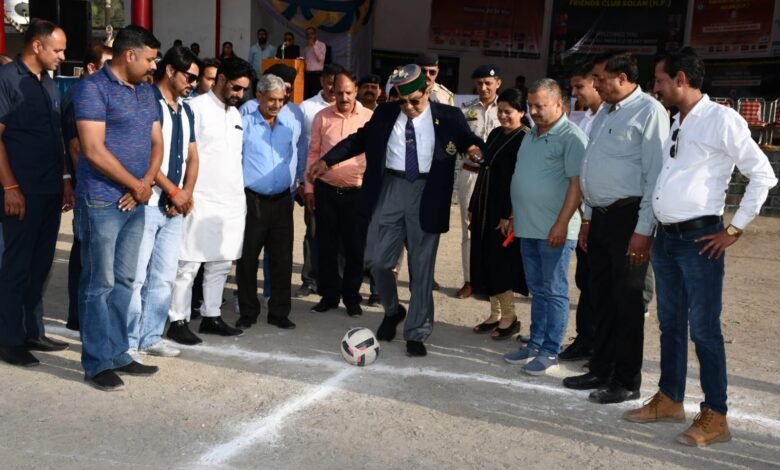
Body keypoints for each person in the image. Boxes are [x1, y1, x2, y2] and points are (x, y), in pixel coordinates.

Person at [622, 47, 778, 447]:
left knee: (705, 329)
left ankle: (716, 415)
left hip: (700, 240)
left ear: (681, 79)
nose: (655, 87)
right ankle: (670, 399)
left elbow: (762, 175)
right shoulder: (678, 120)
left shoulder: (721, 119)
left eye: (660, 80)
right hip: (667, 239)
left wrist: (734, 229)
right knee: (670, 323)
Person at [308, 64, 483, 357]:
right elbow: (358, 140)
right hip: (390, 188)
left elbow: (469, 141)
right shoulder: (386, 114)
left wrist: (476, 150)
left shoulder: (449, 116)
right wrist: (327, 160)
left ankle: (416, 332)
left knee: (421, 269)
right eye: (402, 102)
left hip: (428, 193)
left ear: (427, 89)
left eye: (414, 101)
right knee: (376, 261)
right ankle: (392, 310)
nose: (409, 108)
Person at [564, 52, 669, 404]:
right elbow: (593, 166)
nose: (596, 85)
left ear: (622, 78)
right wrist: (589, 218)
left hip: (630, 219)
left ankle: (626, 380)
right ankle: (601, 367)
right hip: (601, 218)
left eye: (600, 78)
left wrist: (643, 229)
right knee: (601, 297)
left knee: (627, 303)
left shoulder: (649, 111)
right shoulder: (606, 111)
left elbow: (655, 175)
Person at [73, 25, 163, 390]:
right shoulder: (92, 88)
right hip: (101, 199)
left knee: (125, 280)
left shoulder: (147, 91)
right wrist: (135, 185)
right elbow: (92, 150)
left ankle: (118, 352)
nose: (154, 66)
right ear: (130, 54)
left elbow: (157, 142)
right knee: (100, 283)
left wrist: (145, 184)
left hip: (134, 200)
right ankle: (97, 362)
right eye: (150, 59)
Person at [503, 79, 587, 375]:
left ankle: (550, 350)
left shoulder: (572, 137)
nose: (534, 111)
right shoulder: (530, 135)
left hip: (555, 231)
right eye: (531, 106)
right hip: (528, 227)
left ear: (559, 104)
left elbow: (577, 186)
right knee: (537, 290)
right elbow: (522, 177)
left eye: (540, 106)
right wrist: (515, 215)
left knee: (554, 290)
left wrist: (561, 224)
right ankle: (535, 343)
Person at [0, 19, 71, 367]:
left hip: (49, 190)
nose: (62, 56)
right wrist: (10, 187)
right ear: (37, 46)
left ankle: (32, 331)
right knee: (16, 266)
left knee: (40, 265)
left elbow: (56, 138)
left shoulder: (49, 83)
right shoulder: (7, 79)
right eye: (57, 50)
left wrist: (66, 180)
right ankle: (9, 339)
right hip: (21, 192)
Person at [166, 58, 251, 344]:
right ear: (221, 79)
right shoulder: (195, 108)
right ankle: (177, 319)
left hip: (231, 202)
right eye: (236, 88)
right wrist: (181, 193)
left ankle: (211, 316)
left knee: (222, 263)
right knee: (187, 265)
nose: (240, 94)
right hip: (199, 199)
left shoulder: (236, 114)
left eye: (244, 90)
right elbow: (182, 154)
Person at [126, 45, 200, 361]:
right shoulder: (147, 102)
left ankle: (150, 337)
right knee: (135, 277)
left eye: (196, 79)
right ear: (170, 70)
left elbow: (193, 157)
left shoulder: (185, 109)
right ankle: (128, 340)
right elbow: (145, 155)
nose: (194, 83)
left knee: (164, 276)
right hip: (147, 203)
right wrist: (174, 192)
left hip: (173, 206)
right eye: (189, 77)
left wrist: (185, 193)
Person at [235, 74, 302, 330]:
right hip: (253, 200)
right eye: (271, 99)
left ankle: (279, 313)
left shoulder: (288, 125)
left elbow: (292, 156)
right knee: (248, 258)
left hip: (282, 200)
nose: (276, 105)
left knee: (282, 259)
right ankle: (248, 312)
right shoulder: (244, 124)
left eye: (281, 100)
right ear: (259, 96)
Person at [305, 71, 373, 317]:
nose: (344, 97)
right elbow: (313, 153)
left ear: (356, 92)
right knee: (326, 246)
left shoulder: (369, 117)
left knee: (355, 248)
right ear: (332, 92)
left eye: (348, 92)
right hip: (326, 191)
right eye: (339, 92)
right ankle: (329, 296)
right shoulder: (322, 117)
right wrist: (309, 188)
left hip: (357, 193)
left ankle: (352, 298)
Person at [468, 88, 530, 339]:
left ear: (521, 112)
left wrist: (509, 214)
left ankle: (509, 317)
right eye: (500, 111)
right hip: (485, 207)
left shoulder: (525, 138)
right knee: (485, 260)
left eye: (508, 112)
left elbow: (520, 179)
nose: (503, 116)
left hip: (504, 211)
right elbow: (485, 169)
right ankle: (494, 314)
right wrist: (473, 205)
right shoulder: (495, 133)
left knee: (500, 264)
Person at [61, 43, 112, 332]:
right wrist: (83, 184)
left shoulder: (94, 93)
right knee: (86, 254)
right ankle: (79, 317)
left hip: (92, 184)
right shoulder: (80, 95)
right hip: (90, 187)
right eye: (107, 65)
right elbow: (76, 148)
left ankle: (80, 316)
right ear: (92, 67)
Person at [558, 61, 601, 362]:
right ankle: (586, 339)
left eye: (579, 86)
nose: (574, 93)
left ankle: (599, 345)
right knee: (585, 280)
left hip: (606, 213)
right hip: (586, 213)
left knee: (600, 283)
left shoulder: (612, 118)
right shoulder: (583, 120)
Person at [296, 63, 343, 298]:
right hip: (314, 181)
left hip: (343, 182)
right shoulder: (307, 108)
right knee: (313, 232)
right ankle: (309, 279)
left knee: (341, 234)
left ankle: (336, 282)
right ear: (322, 81)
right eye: (330, 82)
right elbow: (300, 146)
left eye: (337, 83)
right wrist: (301, 181)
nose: (333, 87)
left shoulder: (349, 107)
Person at [456, 64, 502, 299]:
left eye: (488, 83)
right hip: (471, 173)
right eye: (480, 83)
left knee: (495, 228)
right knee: (469, 227)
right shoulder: (466, 110)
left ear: (498, 83)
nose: (483, 87)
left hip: (497, 177)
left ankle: (491, 281)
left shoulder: (507, 110)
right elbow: (457, 141)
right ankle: (470, 280)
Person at [303, 27, 327, 98]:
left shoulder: (321, 45)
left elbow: (321, 59)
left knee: (316, 95)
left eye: (311, 33)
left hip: (316, 75)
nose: (309, 35)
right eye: (307, 34)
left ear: (315, 34)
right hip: (307, 74)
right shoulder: (306, 47)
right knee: (307, 95)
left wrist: (314, 46)